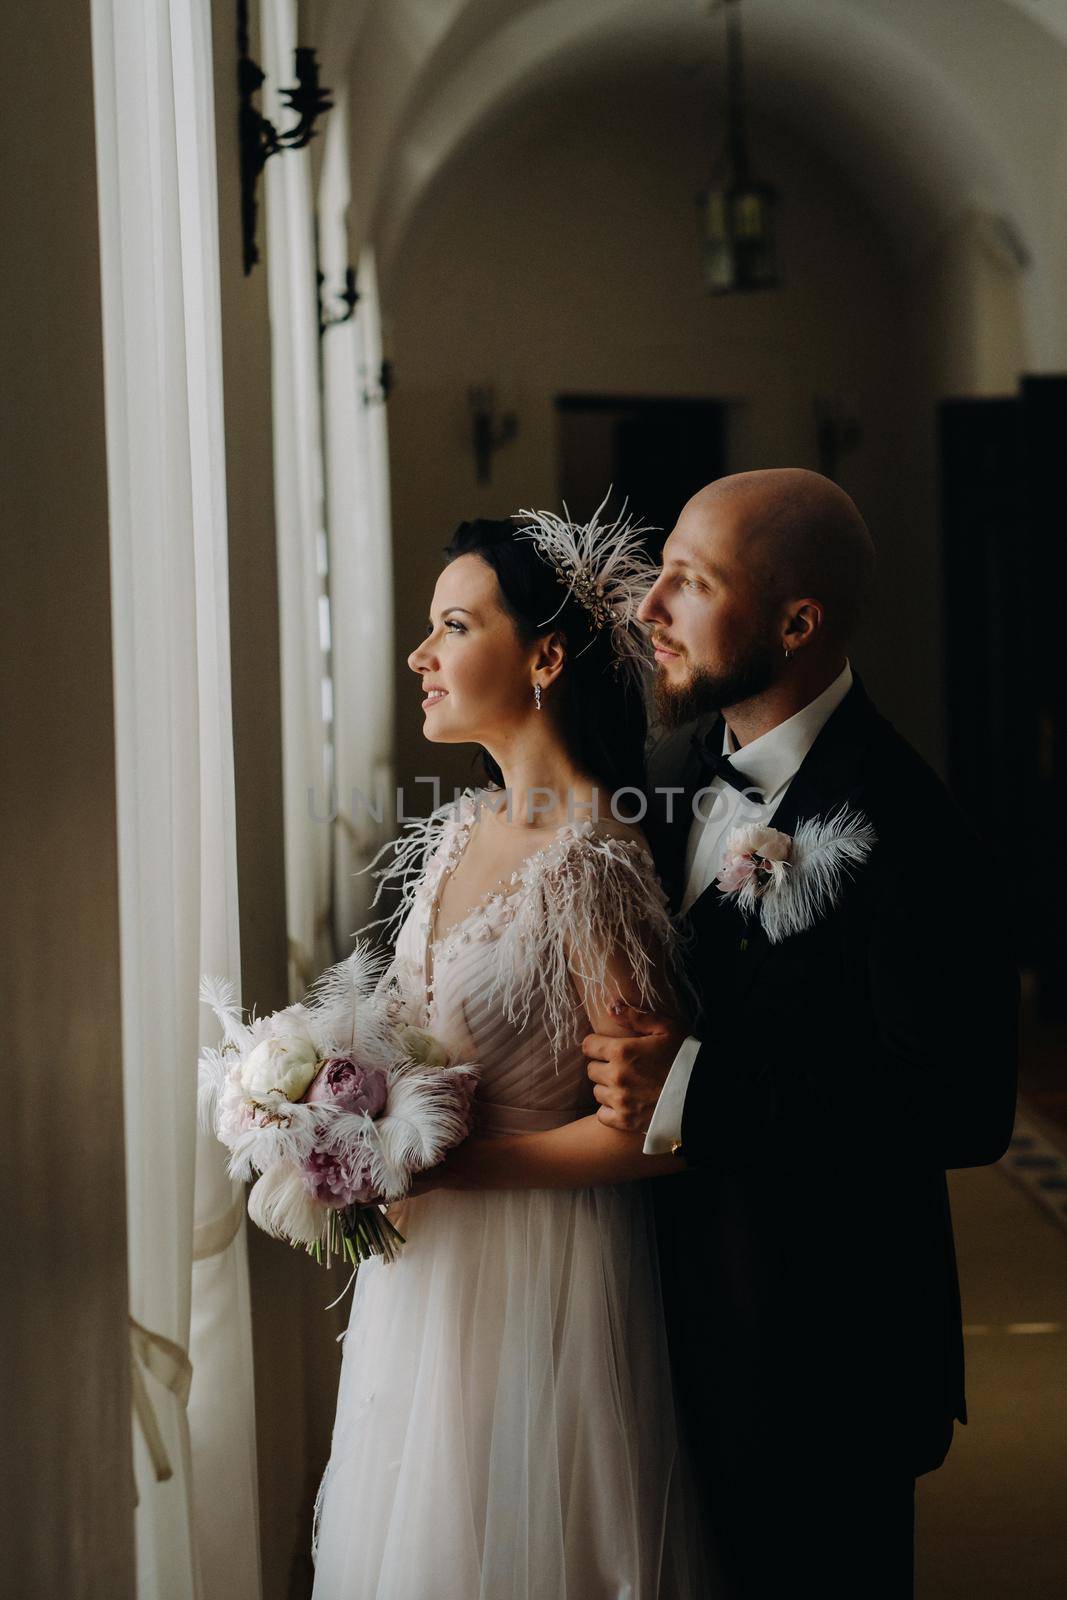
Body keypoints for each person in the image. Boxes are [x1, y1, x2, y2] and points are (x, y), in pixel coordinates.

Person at [583, 468, 1020, 1599]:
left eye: (690, 582)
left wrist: (697, 1087)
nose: (647, 608)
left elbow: (961, 1103)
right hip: (650, 1328)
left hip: (826, 1356)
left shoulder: (916, 828)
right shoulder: (663, 777)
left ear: (796, 622)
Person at [310, 506, 712, 1598]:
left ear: (542, 657)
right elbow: (400, 1042)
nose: (418, 655)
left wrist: (448, 1166)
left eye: (451, 624)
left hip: (541, 1273)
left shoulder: (592, 855)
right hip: (427, 1279)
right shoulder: (463, 829)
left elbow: (651, 1134)